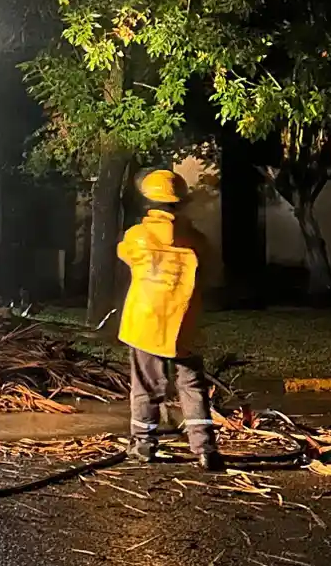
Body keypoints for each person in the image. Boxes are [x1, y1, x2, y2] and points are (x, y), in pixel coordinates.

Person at [117, 168, 223, 472]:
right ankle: (205, 449)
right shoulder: (197, 240)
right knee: (192, 386)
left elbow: (124, 254)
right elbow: (212, 273)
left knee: (146, 385)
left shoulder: (137, 236)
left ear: (147, 202)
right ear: (181, 202)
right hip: (184, 324)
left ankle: (144, 445)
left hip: (145, 323)